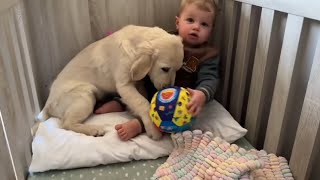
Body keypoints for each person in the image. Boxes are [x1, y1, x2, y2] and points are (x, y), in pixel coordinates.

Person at [94, 0, 219, 141]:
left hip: (180, 99)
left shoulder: (208, 54)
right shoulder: (165, 40)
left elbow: (210, 78)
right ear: (178, 23)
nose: (196, 27)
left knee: (171, 115)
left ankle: (139, 124)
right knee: (140, 87)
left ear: (211, 30)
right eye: (190, 20)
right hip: (152, 90)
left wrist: (202, 93)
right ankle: (120, 101)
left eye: (204, 24)